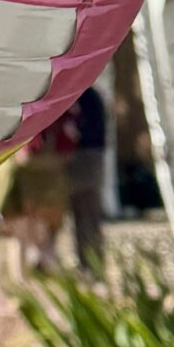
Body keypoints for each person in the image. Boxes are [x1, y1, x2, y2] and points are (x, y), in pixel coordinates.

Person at [63, 83, 110, 273]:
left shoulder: (77, 97)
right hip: (93, 159)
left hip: (80, 159)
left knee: (81, 215)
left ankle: (88, 264)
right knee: (88, 217)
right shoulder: (94, 96)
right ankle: (91, 264)